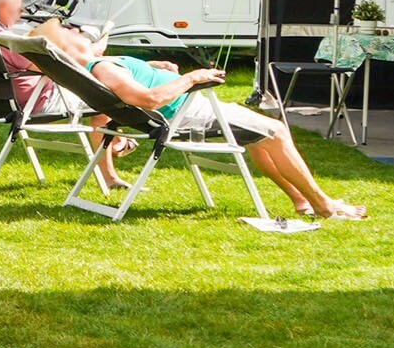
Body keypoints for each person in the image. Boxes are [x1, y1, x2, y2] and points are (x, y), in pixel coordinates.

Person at [69, 40, 363, 220]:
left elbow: (135, 87)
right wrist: (193, 78)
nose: (89, 36)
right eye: (80, 36)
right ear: (83, 49)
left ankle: (301, 201)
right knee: (276, 132)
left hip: (190, 110)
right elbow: (149, 99)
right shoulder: (106, 69)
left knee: (259, 138)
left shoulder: (107, 64)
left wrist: (154, 68)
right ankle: (323, 205)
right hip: (189, 116)